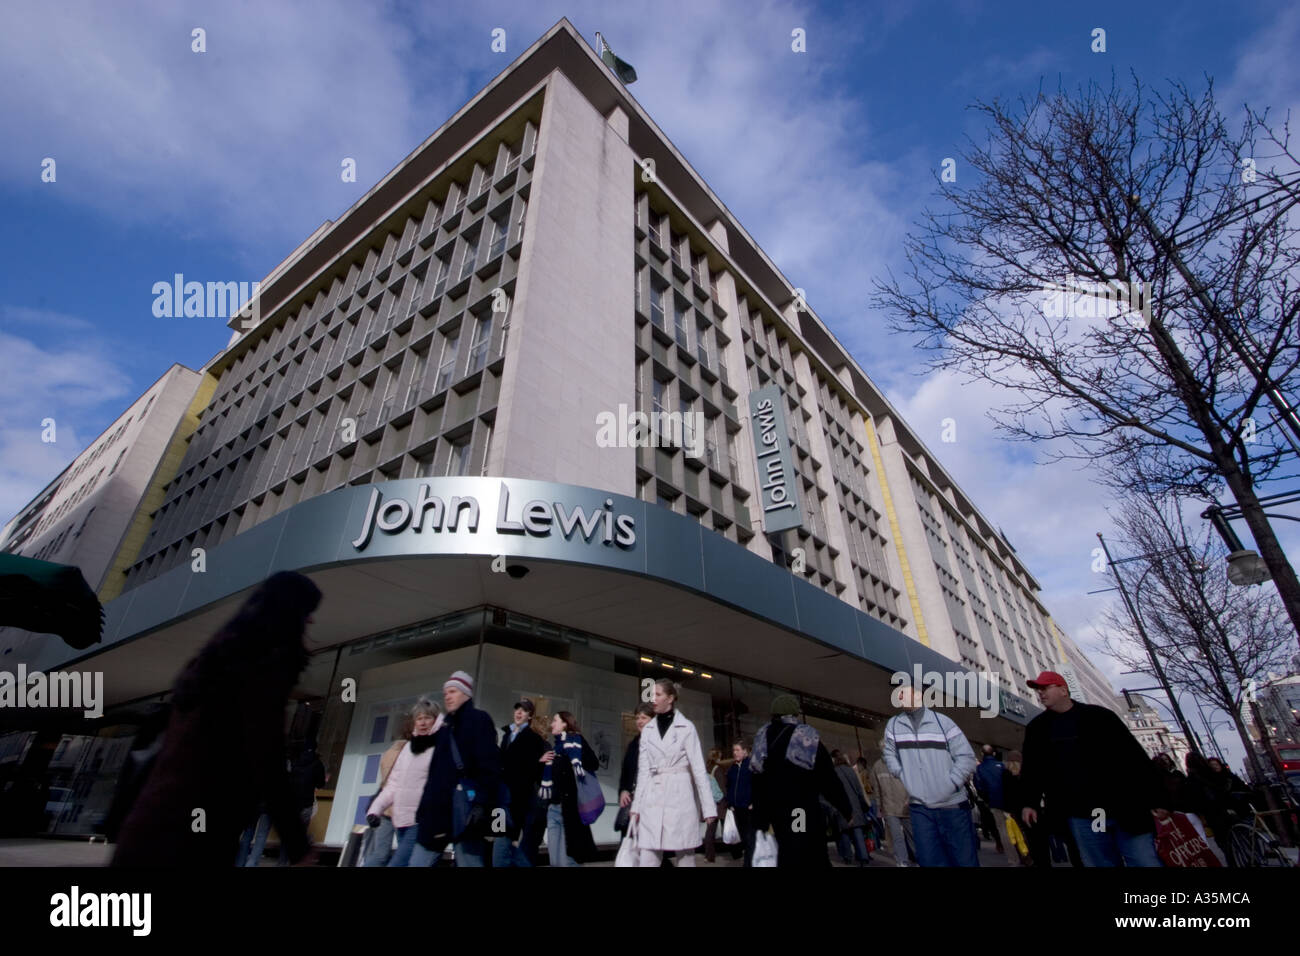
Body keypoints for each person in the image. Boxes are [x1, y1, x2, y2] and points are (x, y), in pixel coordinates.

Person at [112, 571, 322, 867]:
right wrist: (298, 845)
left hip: (148, 826)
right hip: (193, 840)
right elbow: (267, 763)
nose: (310, 621)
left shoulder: (209, 664)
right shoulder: (264, 670)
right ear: (288, 613)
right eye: (307, 612)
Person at [1019, 671, 1168, 867]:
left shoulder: (1100, 717)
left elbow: (1134, 758)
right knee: (1100, 862)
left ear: (1063, 690)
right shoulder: (1037, 729)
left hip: (1124, 805)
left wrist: (1157, 798)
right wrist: (1029, 802)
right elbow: (1033, 769)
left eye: (1045, 688)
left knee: (1143, 860)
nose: (1041, 693)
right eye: (1038, 690)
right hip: (1084, 814)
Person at [882, 684, 979, 867]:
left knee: (964, 860)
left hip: (952, 806)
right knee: (929, 861)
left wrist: (950, 783)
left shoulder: (943, 723)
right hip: (920, 809)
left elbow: (966, 757)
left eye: (904, 691)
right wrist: (902, 774)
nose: (899, 695)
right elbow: (889, 754)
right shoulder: (893, 725)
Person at [750, 694, 851, 868]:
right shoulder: (805, 736)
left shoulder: (762, 736)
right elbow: (828, 777)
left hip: (775, 810)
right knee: (804, 850)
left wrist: (760, 816)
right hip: (800, 809)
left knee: (787, 850)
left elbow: (756, 778)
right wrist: (845, 808)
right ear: (795, 714)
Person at [413, 670, 502, 867]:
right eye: (446, 692)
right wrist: (424, 807)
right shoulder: (446, 727)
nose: (447, 696)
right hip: (437, 811)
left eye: (453, 691)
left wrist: (481, 803)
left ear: (466, 693)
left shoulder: (479, 720)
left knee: (469, 861)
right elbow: (435, 772)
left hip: (465, 810)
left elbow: (489, 765)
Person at [629, 679, 716, 866]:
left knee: (685, 853)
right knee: (648, 854)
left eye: (658, 694)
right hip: (653, 795)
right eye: (652, 694)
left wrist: (708, 807)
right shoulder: (648, 731)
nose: (653, 699)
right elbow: (643, 771)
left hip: (679, 794)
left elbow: (699, 770)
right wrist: (636, 806)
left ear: (670, 698)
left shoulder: (687, 727)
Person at [366, 699, 442, 866]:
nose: (423, 722)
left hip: (420, 821)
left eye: (428, 718)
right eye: (419, 718)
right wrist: (375, 810)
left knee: (397, 863)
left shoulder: (440, 746)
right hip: (401, 820)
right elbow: (393, 784)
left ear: (436, 719)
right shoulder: (408, 749)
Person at [538, 711, 600, 866]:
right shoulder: (556, 748)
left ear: (565, 723)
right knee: (554, 860)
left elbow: (594, 763)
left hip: (571, 810)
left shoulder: (576, 742)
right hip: (553, 808)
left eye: (555, 720)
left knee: (569, 860)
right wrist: (540, 761)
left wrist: (577, 751)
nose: (552, 724)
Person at [494, 698, 548, 867]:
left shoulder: (534, 739)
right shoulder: (507, 735)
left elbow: (534, 771)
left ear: (530, 715)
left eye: (523, 710)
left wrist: (537, 763)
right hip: (500, 799)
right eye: (517, 709)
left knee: (503, 843)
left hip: (516, 801)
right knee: (501, 840)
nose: (518, 713)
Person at [362, 723, 411, 867]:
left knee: (380, 853)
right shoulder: (407, 753)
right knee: (405, 853)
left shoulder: (388, 752)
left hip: (384, 809)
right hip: (401, 809)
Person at [278, 742, 326, 865]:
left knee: (288, 835)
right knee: (300, 834)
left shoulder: (295, 762)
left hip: (292, 803)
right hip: (306, 803)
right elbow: (320, 784)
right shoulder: (317, 764)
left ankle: (282, 862)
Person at [974, 745, 1019, 867]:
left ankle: (1013, 859)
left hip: (994, 802)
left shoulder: (980, 769)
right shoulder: (1002, 765)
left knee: (1003, 831)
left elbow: (980, 787)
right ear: (993, 753)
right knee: (1017, 828)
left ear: (982, 754)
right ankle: (1024, 853)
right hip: (1009, 802)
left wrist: (987, 800)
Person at [871, 743, 914, 866]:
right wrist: (879, 806)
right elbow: (877, 789)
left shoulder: (902, 761)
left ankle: (916, 857)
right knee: (897, 837)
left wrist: (911, 798)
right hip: (889, 807)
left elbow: (910, 782)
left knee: (911, 834)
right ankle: (902, 861)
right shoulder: (877, 766)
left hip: (904, 804)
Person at [617, 703, 655, 834]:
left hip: (652, 802)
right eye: (637, 718)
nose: (639, 721)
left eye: (643, 718)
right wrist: (623, 790)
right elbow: (626, 772)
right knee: (629, 842)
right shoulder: (633, 744)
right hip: (633, 800)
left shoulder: (658, 743)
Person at [831, 750, 872, 865]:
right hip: (855, 806)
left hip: (841, 807)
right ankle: (863, 857)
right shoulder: (851, 771)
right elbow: (859, 789)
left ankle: (847, 857)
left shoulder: (833, 772)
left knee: (845, 832)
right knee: (857, 831)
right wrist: (862, 804)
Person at [725, 739, 755, 864]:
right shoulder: (732, 768)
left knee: (749, 838)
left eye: (738, 750)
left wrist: (753, 802)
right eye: (733, 750)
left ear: (745, 752)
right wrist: (730, 803)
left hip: (748, 808)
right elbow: (729, 786)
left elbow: (757, 786)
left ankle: (749, 863)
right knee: (743, 837)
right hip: (736, 808)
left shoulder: (751, 767)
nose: (735, 753)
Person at [703, 748, 726, 863]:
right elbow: (722, 788)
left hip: (710, 803)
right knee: (728, 827)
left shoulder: (706, 769)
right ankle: (736, 852)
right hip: (719, 803)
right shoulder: (718, 769)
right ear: (717, 757)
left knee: (710, 831)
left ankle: (709, 855)